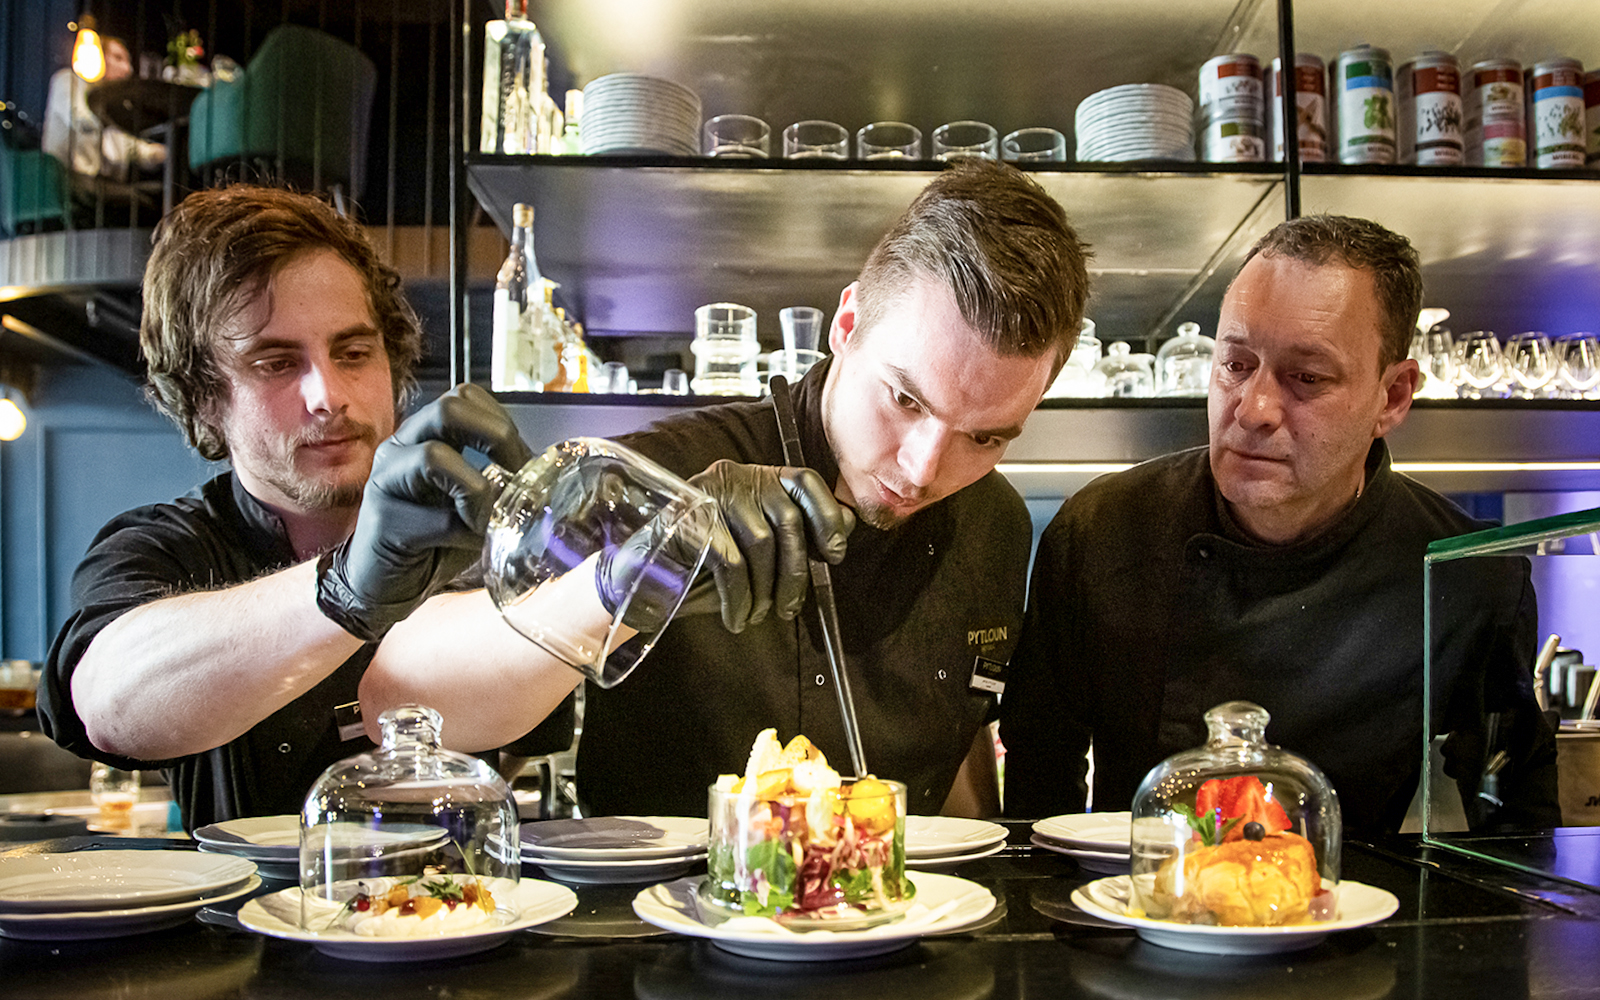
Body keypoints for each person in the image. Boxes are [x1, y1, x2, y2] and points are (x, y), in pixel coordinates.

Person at [361, 159, 1094, 818]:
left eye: (987, 437)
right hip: (658, 943)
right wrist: (635, 571)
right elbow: (398, 694)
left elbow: (955, 756)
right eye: (904, 400)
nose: (925, 468)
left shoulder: (995, 521)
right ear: (846, 324)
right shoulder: (659, 473)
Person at [38, 184, 602, 830]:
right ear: (203, 401)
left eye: (354, 352)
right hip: (240, 928)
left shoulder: (466, 531)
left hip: (462, 918)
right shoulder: (166, 547)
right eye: (277, 363)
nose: (328, 394)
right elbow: (109, 703)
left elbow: (524, 721)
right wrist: (346, 588)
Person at [1000, 214, 1560, 835]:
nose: (1254, 408)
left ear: (1393, 396)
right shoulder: (1100, 532)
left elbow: (1517, 828)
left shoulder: (1466, 572)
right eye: (1236, 364)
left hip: (1357, 919)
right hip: (1135, 912)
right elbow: (1037, 793)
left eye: (1308, 378)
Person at [41, 36, 166, 181]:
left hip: (102, 187)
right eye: (118, 58)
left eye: (129, 62)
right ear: (97, 57)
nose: (128, 69)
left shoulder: (114, 104)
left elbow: (135, 150)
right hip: (67, 183)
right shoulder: (67, 81)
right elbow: (80, 121)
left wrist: (167, 153)